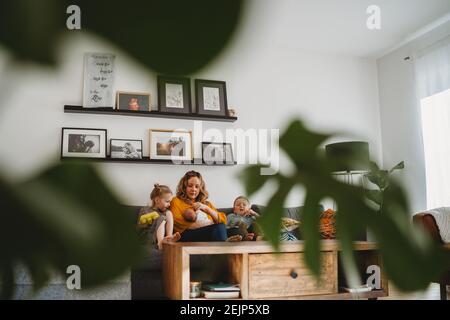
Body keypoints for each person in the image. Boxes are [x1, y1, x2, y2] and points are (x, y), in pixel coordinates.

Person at [170, 170, 229, 242]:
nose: (193, 189)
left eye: (197, 186)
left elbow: (223, 221)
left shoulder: (206, 204)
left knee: (234, 230)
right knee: (219, 228)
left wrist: (206, 209)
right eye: (190, 186)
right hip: (185, 235)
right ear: (184, 187)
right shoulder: (176, 201)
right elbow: (176, 222)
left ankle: (227, 243)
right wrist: (204, 224)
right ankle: (225, 247)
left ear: (200, 189)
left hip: (208, 233)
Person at [137, 183, 180, 250]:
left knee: (169, 213)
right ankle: (161, 243)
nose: (169, 204)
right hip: (147, 238)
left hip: (158, 237)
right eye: (167, 201)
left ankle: (169, 238)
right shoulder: (145, 210)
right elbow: (141, 225)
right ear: (157, 200)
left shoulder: (164, 212)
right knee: (161, 218)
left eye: (170, 202)